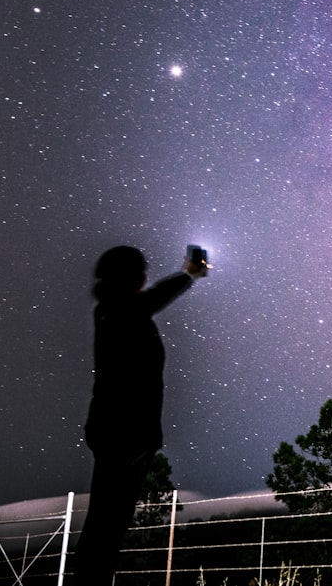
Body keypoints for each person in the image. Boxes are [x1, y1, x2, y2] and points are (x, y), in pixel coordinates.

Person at [74, 244, 208, 586]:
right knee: (108, 526)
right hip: (125, 434)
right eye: (141, 270)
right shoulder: (119, 309)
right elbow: (148, 301)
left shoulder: (114, 310)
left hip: (121, 432)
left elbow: (145, 303)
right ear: (130, 275)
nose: (146, 276)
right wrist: (188, 274)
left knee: (106, 525)